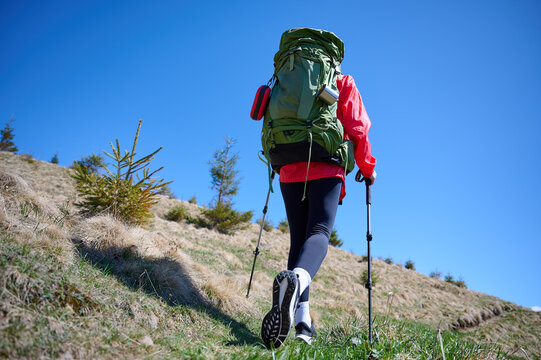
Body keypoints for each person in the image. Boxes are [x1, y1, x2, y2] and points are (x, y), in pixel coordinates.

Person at [261, 71, 377, 348]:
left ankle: (303, 322)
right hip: (327, 162)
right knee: (320, 231)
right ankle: (298, 286)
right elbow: (358, 126)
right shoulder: (342, 80)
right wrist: (368, 168)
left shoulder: (288, 76)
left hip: (289, 164)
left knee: (298, 241)